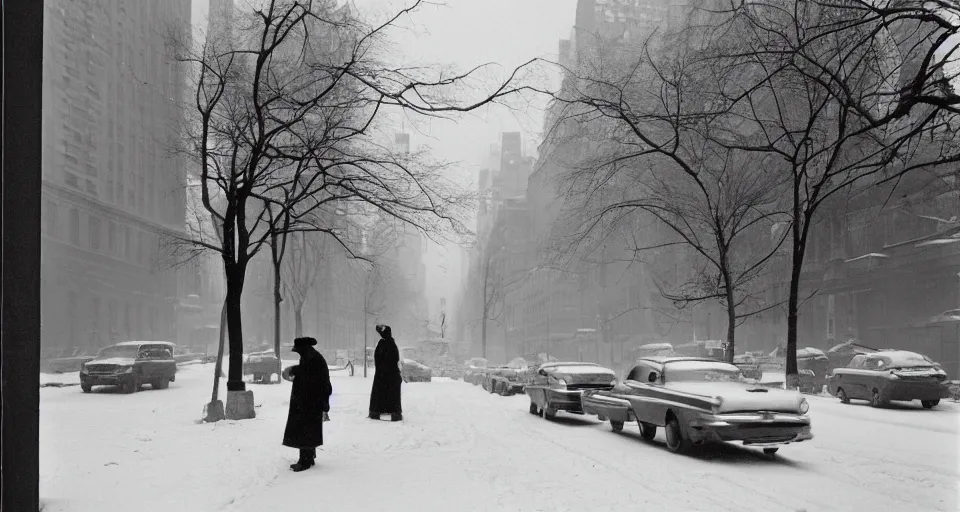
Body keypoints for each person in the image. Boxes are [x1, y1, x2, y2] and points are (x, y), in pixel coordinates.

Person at [281, 337, 332, 472]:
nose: (298, 353)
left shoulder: (313, 359)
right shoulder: (311, 357)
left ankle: (305, 461)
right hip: (309, 401)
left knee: (304, 429)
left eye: (298, 351)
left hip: (310, 401)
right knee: (308, 429)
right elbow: (306, 372)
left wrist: (294, 371)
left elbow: (310, 377)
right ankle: (309, 456)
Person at [368, 324, 402, 421]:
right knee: (392, 394)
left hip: (382, 374)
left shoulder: (382, 343)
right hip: (391, 374)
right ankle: (395, 413)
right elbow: (395, 358)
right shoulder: (391, 343)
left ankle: (376, 412)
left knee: (379, 393)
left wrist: (381, 368)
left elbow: (378, 358)